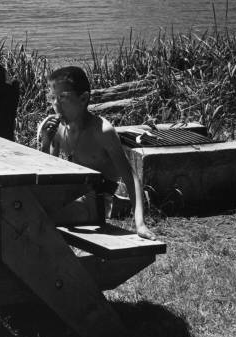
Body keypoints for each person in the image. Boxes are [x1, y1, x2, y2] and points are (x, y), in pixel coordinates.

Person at [37, 66, 155, 239]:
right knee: (19, 203)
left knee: (33, 214)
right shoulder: (59, 129)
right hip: (68, 199)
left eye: (63, 98)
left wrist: (140, 224)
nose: (56, 104)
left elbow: (131, 178)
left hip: (93, 206)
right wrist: (45, 143)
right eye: (52, 98)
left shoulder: (102, 132)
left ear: (83, 98)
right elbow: (48, 175)